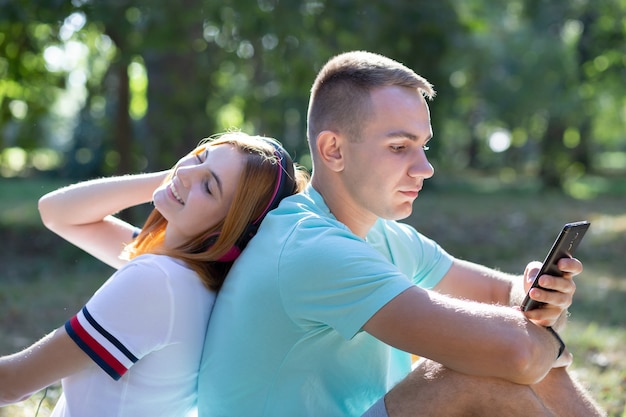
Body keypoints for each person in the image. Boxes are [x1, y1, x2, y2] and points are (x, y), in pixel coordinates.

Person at [197, 52, 606, 417]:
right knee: (472, 373)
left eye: (423, 146)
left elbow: (507, 296)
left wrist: (537, 298)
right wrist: (535, 334)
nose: (424, 168)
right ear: (333, 150)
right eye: (399, 147)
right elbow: (516, 353)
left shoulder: (385, 236)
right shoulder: (310, 248)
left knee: (504, 346)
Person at [0, 132, 308, 416]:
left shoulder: (157, 282)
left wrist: (178, 181)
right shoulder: (185, 277)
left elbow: (12, 383)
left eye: (209, 186)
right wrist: (172, 179)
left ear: (227, 231)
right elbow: (56, 213)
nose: (187, 173)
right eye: (200, 157)